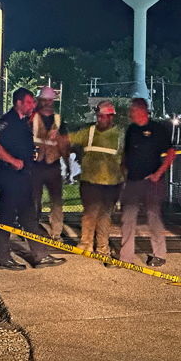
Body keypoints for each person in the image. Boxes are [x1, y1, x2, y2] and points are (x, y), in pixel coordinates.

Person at [0, 87, 66, 271]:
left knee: (29, 218)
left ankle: (40, 256)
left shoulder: (23, 122)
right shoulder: (9, 121)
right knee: (6, 217)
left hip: (22, 178)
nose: (32, 105)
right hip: (10, 176)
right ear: (19, 103)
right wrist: (12, 160)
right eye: (29, 102)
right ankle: (3, 258)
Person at [63, 101, 123, 261]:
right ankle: (86, 244)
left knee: (104, 215)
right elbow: (68, 139)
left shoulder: (119, 136)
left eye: (103, 115)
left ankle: (102, 247)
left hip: (112, 183)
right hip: (90, 182)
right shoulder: (89, 132)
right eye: (99, 115)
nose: (100, 118)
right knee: (90, 213)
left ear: (111, 116)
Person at [119, 98, 176, 267]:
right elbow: (126, 153)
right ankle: (126, 257)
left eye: (132, 111)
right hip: (132, 181)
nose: (130, 114)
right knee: (127, 218)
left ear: (141, 111)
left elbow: (171, 152)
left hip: (152, 182)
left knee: (153, 217)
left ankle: (159, 254)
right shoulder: (131, 130)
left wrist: (158, 174)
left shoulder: (157, 129)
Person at [31, 86, 68, 241]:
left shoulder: (59, 120)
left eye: (49, 100)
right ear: (39, 100)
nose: (46, 103)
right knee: (34, 200)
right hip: (35, 165)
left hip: (53, 165)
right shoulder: (31, 119)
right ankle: (32, 229)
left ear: (53, 101)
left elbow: (66, 143)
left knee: (57, 201)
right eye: (43, 100)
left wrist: (68, 165)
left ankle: (56, 232)